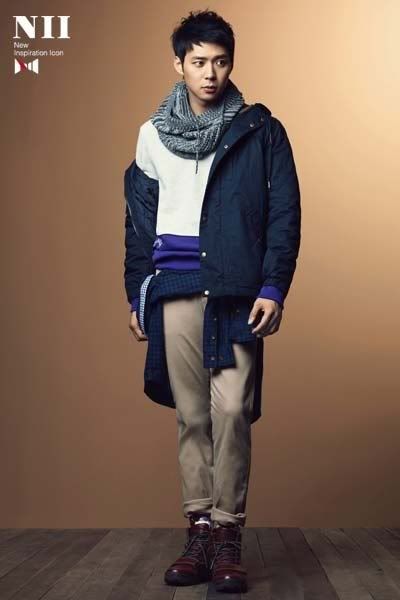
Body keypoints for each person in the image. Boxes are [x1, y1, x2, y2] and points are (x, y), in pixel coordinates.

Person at [123, 9, 301, 594]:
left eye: (220, 62)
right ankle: (199, 529)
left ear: (231, 65)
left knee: (231, 412)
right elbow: (137, 225)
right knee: (192, 415)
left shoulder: (260, 130)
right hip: (174, 286)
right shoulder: (151, 135)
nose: (210, 73)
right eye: (198, 61)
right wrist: (136, 293)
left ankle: (228, 533)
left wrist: (273, 286)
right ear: (178, 63)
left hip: (236, 288)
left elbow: (284, 215)